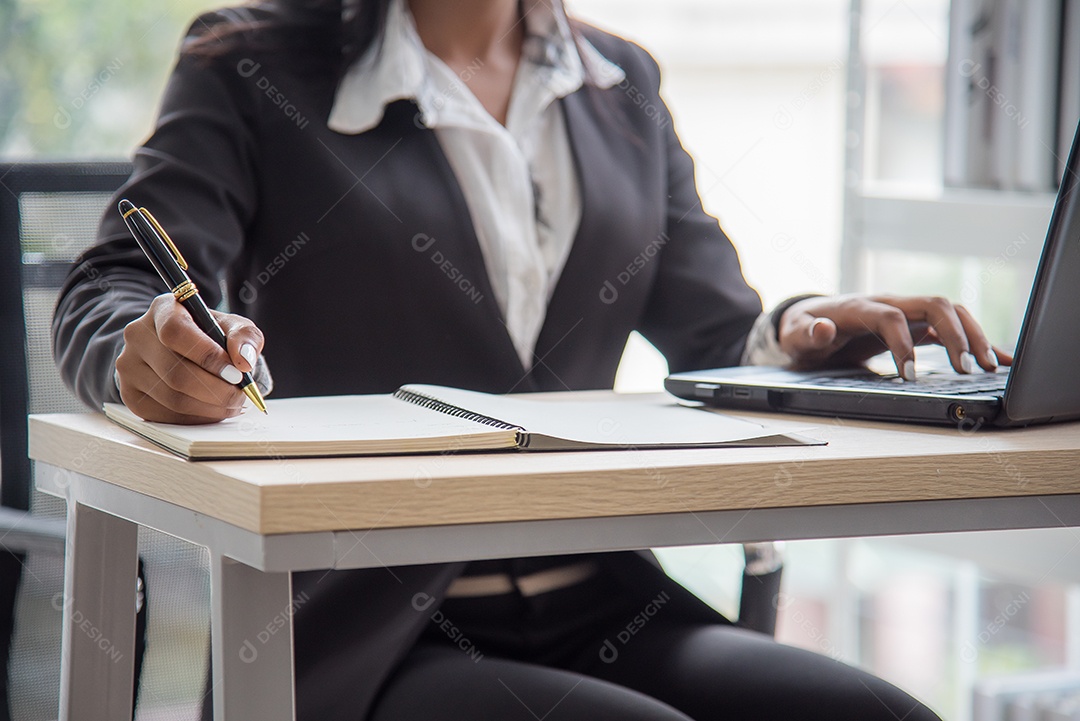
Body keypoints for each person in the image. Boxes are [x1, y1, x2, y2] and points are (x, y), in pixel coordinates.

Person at [53, 1, 1008, 718]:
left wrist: (815, 327)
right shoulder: (254, 67)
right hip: (368, 630)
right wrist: (142, 351)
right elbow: (113, 287)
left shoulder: (619, 82)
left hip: (607, 602)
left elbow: (720, 338)